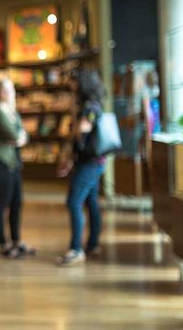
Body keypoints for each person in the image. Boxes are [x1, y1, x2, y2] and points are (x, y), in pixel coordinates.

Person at [56, 67, 108, 266]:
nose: (72, 88)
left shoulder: (88, 108)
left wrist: (73, 120)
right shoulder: (94, 104)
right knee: (91, 202)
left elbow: (80, 134)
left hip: (89, 163)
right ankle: (92, 243)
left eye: (74, 84)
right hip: (95, 162)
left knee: (74, 202)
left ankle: (76, 249)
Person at [0, 79, 35, 258]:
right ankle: (2, 243)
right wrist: (18, 137)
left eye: (12, 90)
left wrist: (19, 137)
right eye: (7, 90)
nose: (11, 93)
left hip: (13, 163)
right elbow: (13, 135)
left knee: (16, 203)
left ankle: (16, 240)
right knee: (1, 204)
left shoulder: (12, 112)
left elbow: (23, 135)